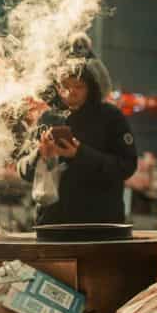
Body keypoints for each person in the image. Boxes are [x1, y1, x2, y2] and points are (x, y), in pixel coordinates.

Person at [18, 34, 138, 225]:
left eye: (79, 86)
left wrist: (80, 154)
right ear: (57, 88)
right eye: (65, 86)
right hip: (52, 224)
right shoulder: (47, 117)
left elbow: (127, 166)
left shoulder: (111, 117)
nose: (71, 91)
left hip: (99, 224)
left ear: (91, 88)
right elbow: (23, 169)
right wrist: (39, 154)